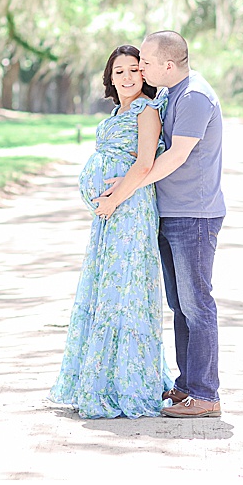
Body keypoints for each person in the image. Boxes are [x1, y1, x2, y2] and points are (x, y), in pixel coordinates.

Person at [96, 30, 226, 419]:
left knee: (198, 306)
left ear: (168, 65)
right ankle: (186, 387)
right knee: (180, 306)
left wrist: (126, 188)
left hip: (195, 214)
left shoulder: (194, 97)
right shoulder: (171, 95)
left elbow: (174, 158)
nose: (142, 69)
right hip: (170, 212)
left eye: (147, 63)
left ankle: (206, 396)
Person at [48, 44, 174, 419]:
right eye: (119, 71)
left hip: (130, 210)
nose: (127, 77)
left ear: (145, 74)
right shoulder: (117, 111)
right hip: (109, 213)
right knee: (105, 289)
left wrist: (114, 199)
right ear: (110, 77)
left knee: (126, 290)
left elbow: (145, 165)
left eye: (134, 70)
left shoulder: (146, 111)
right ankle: (100, 377)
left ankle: (128, 383)